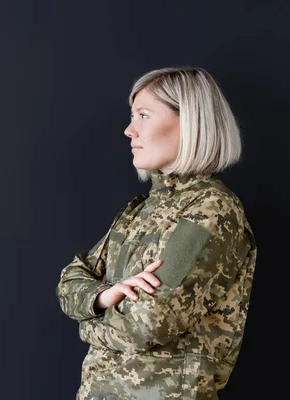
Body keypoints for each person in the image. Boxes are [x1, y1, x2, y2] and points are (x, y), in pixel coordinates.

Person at [55, 66, 257, 400]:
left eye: (143, 115)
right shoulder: (140, 209)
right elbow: (69, 280)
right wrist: (105, 296)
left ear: (190, 121)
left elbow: (148, 323)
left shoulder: (210, 210)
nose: (129, 130)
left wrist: (86, 323)